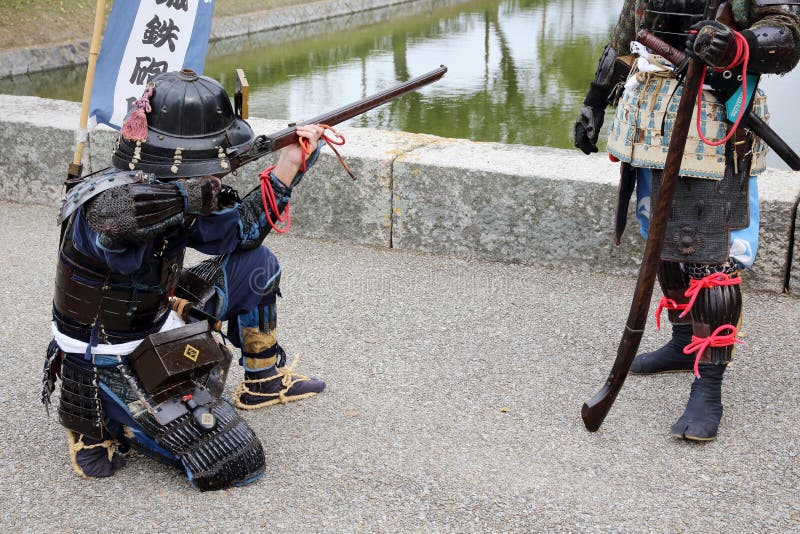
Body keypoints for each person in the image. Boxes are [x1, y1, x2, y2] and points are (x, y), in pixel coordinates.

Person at [43, 69, 326, 489]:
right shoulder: (103, 197)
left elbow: (239, 232)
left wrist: (289, 165)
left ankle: (262, 379)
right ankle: (94, 415)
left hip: (158, 318)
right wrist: (188, 196)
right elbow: (113, 217)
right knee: (234, 459)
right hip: (106, 351)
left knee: (256, 263)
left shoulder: (179, 191)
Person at [574, 1, 800, 441]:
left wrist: (739, 44)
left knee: (709, 260)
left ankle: (708, 385)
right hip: (647, 116)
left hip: (713, 119)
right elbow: (629, 36)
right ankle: (682, 341)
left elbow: (789, 32)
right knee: (660, 238)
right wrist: (595, 100)